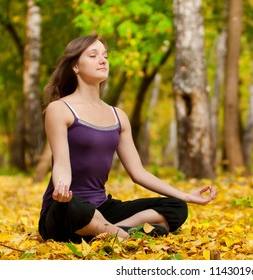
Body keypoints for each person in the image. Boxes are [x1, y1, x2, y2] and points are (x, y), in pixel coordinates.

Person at [38, 35, 218, 243]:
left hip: (103, 209)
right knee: (76, 208)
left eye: (105, 56)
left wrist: (185, 196)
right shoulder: (59, 109)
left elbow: (138, 173)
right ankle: (124, 234)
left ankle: (105, 231)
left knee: (176, 207)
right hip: (64, 207)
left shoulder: (118, 116)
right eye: (93, 55)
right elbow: (61, 162)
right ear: (75, 67)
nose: (103, 60)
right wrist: (62, 186)